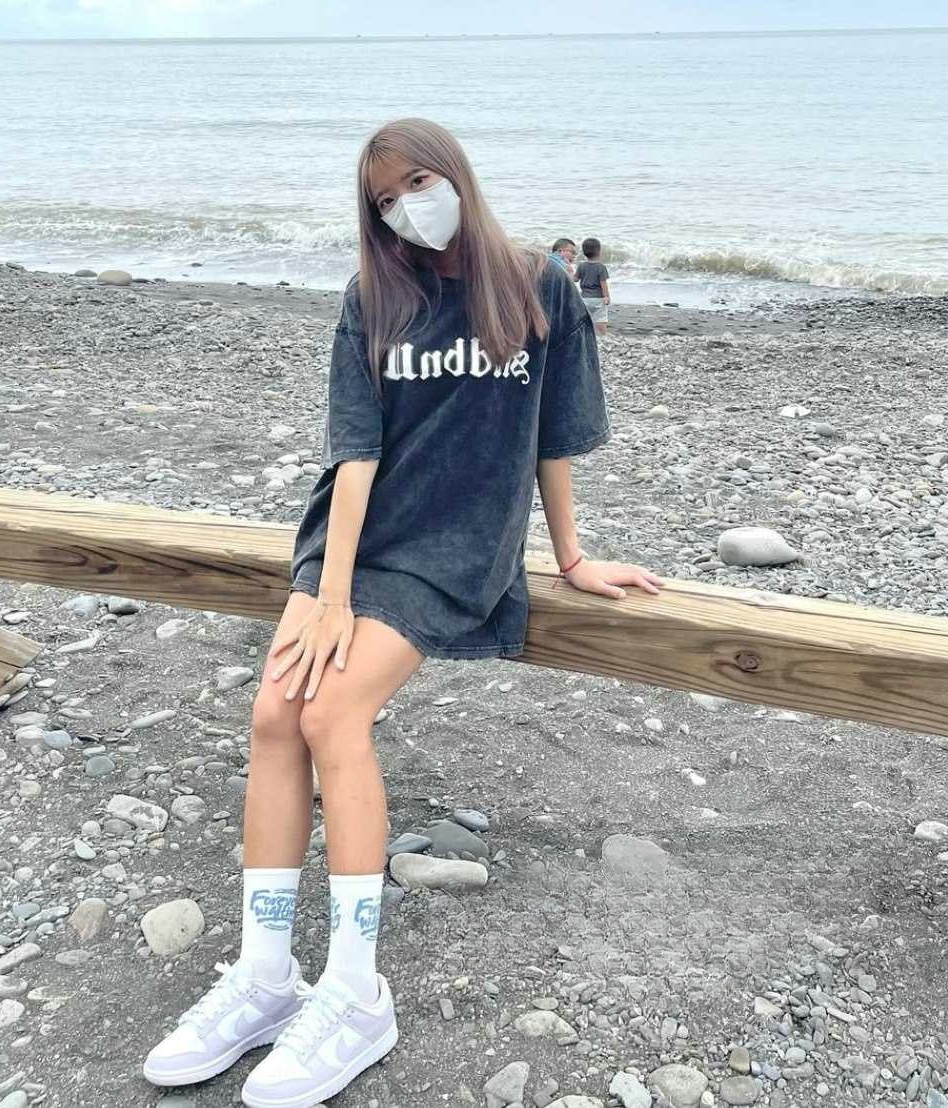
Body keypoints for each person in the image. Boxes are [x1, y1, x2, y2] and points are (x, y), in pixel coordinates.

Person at [142, 117, 664, 1108]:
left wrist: (572, 556)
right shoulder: (372, 296)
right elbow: (355, 452)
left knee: (333, 714)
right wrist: (330, 592)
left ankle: (354, 992)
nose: (405, 209)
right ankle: (264, 976)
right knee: (274, 714)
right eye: (385, 199)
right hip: (354, 539)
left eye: (417, 183)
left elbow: (552, 435)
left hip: (457, 545)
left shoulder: (540, 285)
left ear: (455, 173)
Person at [575, 236, 611, 335]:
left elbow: (575, 279)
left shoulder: (581, 265)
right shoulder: (601, 267)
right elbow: (603, 283)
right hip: (598, 298)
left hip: (584, 298)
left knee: (585, 318)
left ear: (584, 252)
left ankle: (585, 335)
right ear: (599, 252)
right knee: (600, 318)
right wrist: (606, 296)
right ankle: (602, 335)